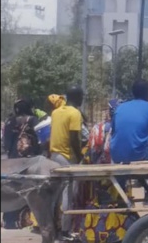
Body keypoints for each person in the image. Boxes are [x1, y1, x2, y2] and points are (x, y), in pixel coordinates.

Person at [50, 87, 85, 241]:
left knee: (55, 196)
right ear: (78, 97)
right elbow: (73, 139)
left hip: (54, 156)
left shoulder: (56, 112)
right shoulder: (75, 113)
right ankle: (65, 231)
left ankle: (56, 228)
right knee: (68, 194)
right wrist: (80, 158)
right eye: (82, 96)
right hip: (67, 157)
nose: (83, 99)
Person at [2, 99, 40, 231]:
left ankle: (10, 221)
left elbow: (5, 142)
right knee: (29, 189)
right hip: (29, 161)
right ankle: (25, 220)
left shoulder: (9, 121)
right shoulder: (33, 120)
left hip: (12, 160)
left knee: (11, 188)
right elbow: (39, 140)